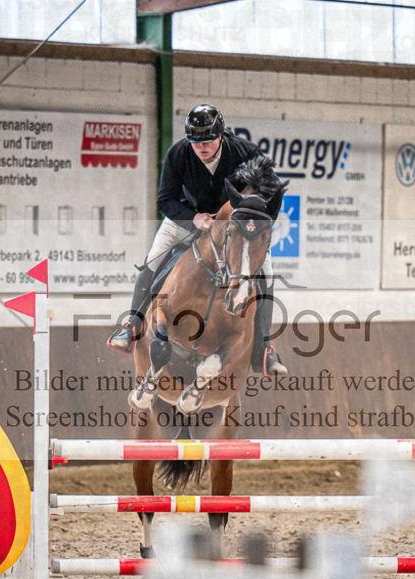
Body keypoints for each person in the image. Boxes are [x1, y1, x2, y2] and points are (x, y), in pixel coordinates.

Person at [107, 104, 287, 376]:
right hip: (189, 217)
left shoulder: (245, 152)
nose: (202, 147)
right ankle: (131, 324)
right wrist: (194, 218)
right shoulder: (179, 154)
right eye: (196, 142)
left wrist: (261, 225)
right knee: (152, 260)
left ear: (222, 135)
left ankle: (263, 349)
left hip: (234, 225)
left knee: (267, 273)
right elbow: (164, 199)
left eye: (208, 141)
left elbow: (274, 191)